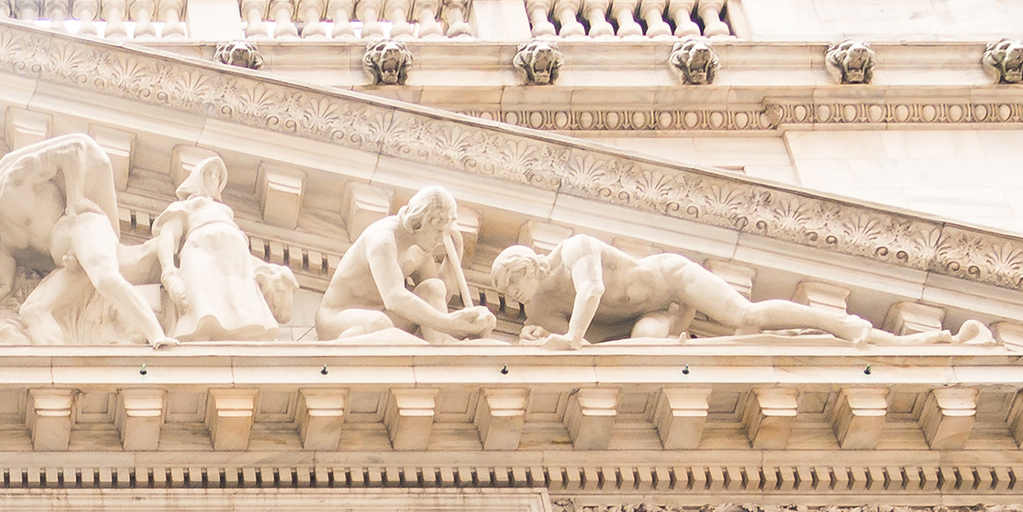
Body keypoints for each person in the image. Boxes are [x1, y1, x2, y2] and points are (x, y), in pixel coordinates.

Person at [0, 131, 167, 348]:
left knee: (105, 278)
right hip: (70, 264)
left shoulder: (15, 179)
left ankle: (159, 336)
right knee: (32, 310)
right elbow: (3, 287)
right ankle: (62, 380)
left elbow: (73, 148)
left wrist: (74, 199)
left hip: (81, 228)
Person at [487, 231, 884, 346]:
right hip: (657, 315)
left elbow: (591, 290)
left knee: (745, 315)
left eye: (512, 282)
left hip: (671, 279)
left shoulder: (573, 249)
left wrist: (569, 337)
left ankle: (838, 324)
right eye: (505, 291)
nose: (512, 294)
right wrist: (541, 340)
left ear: (527, 265)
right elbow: (594, 350)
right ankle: (778, 341)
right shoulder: (540, 310)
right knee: (645, 348)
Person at [319, 186, 493, 341]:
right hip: (338, 318)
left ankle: (444, 348)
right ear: (420, 222)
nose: (441, 239)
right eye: (439, 231)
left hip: (384, 317)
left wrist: (457, 249)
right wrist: (449, 323)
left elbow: (438, 300)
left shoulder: (420, 248)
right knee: (377, 323)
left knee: (433, 287)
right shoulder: (383, 241)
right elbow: (394, 297)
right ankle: (432, 354)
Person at [147, 156, 291, 342]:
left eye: (218, 175)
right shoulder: (187, 205)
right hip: (202, 251)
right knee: (204, 306)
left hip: (235, 261)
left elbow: (247, 257)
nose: (214, 178)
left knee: (241, 307)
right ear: (198, 177)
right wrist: (168, 270)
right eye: (209, 173)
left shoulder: (225, 212)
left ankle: (244, 333)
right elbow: (168, 235)